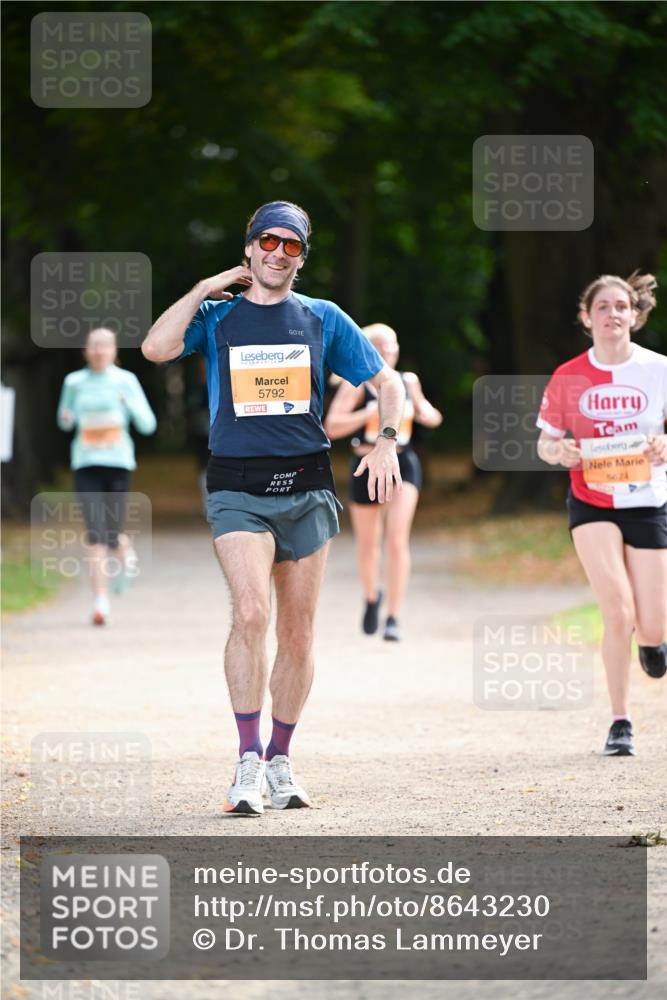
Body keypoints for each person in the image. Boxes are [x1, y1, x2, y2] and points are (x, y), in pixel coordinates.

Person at [141, 201, 404, 815]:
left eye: (291, 246)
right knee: (252, 614)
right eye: (268, 242)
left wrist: (387, 441)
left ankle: (282, 758)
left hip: (308, 488)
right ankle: (247, 759)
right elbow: (155, 347)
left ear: (301, 258)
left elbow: (387, 382)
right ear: (250, 248)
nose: (278, 253)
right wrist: (207, 285)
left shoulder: (322, 317)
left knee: (297, 629)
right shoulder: (217, 316)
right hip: (236, 486)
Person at [537, 272, 666, 756]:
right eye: (603, 307)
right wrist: (560, 453)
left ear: (635, 315)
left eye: (621, 306)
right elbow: (546, 443)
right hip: (591, 501)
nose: (613, 314)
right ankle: (620, 721)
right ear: (586, 317)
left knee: (652, 625)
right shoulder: (568, 376)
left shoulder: (659, 370)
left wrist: (663, 444)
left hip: (648, 502)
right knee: (618, 611)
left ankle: (654, 643)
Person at [324, 323, 442, 641]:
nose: (388, 352)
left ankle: (394, 617)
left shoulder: (407, 381)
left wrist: (426, 413)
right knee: (368, 543)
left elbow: (429, 413)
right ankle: (371, 597)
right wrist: (371, 413)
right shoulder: (357, 384)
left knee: (396, 539)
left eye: (393, 346)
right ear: (368, 349)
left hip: (402, 463)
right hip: (365, 463)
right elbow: (332, 426)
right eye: (381, 347)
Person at [57, 327, 157, 625]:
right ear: (85, 350)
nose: (99, 351)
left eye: (105, 346)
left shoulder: (126, 381)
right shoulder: (74, 382)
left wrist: (128, 404)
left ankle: (125, 553)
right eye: (94, 346)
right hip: (85, 463)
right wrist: (68, 418)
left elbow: (148, 424)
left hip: (117, 463)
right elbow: (64, 420)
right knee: (95, 533)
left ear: (114, 351)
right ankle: (101, 601)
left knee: (112, 533)